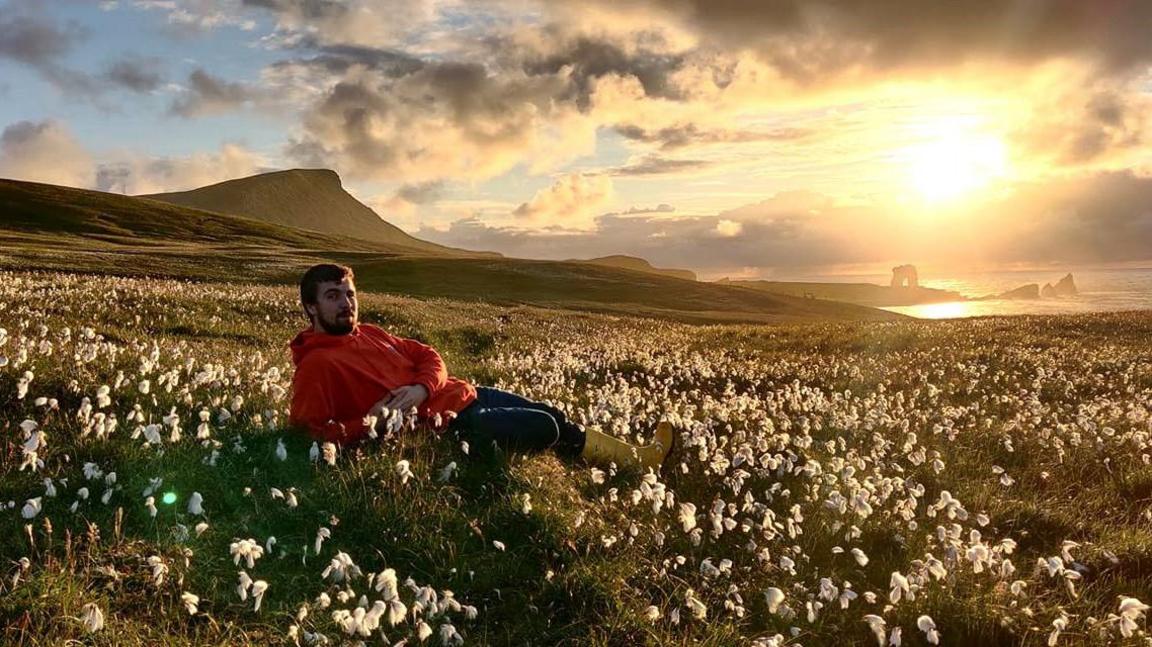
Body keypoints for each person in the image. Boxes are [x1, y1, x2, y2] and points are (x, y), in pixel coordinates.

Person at [288, 263, 672, 471]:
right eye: (333, 296)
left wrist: (422, 388)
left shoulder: (370, 331)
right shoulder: (316, 365)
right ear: (311, 307)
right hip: (452, 426)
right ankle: (626, 461)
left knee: (552, 414)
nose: (346, 304)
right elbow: (308, 434)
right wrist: (373, 423)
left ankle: (638, 459)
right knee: (547, 426)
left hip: (461, 393)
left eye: (350, 294)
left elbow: (431, 357)